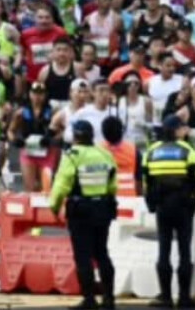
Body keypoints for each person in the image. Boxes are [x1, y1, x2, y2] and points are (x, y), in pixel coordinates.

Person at [49, 117, 118, 310]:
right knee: (102, 253)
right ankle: (109, 298)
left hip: (81, 211)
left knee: (83, 256)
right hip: (103, 208)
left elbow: (61, 185)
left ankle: (89, 299)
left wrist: (54, 207)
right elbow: (113, 184)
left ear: (75, 136)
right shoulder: (105, 153)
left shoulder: (72, 155)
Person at [141, 113, 195, 309]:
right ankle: (184, 298)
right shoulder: (188, 150)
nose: (186, 130)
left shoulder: (151, 151)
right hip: (183, 206)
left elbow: (146, 182)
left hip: (162, 206)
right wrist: (192, 200)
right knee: (184, 250)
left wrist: (152, 204)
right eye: (183, 127)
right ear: (176, 130)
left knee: (164, 249)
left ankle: (165, 297)